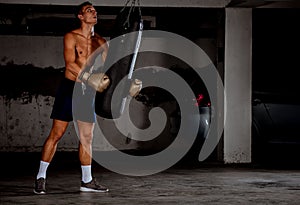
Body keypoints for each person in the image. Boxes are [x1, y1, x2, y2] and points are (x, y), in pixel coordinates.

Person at [34, 1, 109, 194]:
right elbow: (70, 65)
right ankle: (41, 177)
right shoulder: (71, 36)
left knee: (87, 138)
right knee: (56, 134)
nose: (94, 13)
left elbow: (107, 72)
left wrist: (125, 83)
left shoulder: (101, 42)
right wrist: (89, 78)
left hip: (87, 93)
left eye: (95, 10)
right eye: (88, 10)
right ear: (80, 16)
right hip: (70, 89)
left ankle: (87, 181)